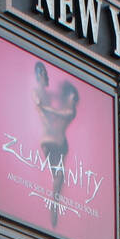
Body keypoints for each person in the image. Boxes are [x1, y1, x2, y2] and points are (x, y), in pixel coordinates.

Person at [33, 63, 79, 228]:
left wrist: (47, 111)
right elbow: (42, 108)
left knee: (59, 177)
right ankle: (53, 208)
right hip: (53, 143)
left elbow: (61, 113)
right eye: (44, 74)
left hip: (57, 143)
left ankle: (54, 207)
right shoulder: (42, 94)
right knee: (59, 176)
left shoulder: (67, 111)